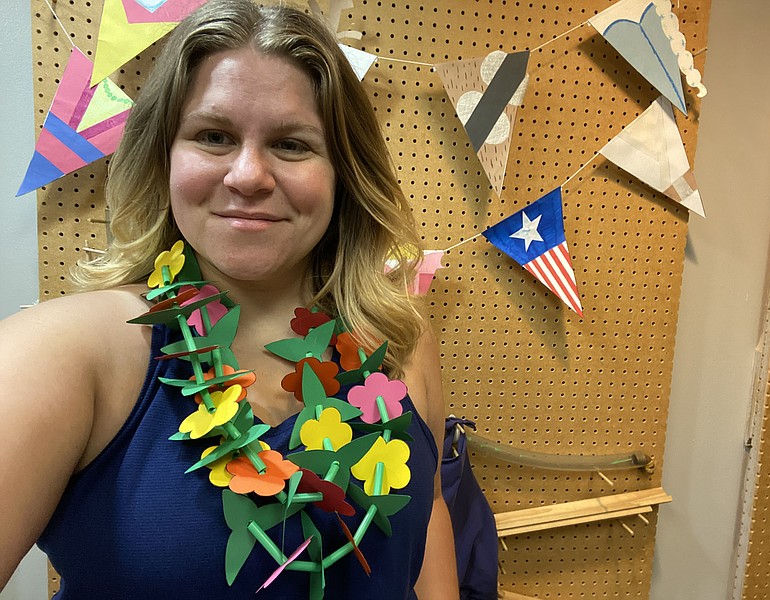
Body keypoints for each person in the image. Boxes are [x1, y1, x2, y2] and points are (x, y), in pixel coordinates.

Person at [0, 0, 459, 597]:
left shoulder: (400, 339)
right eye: (213, 136)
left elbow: (427, 519)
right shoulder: (58, 353)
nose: (248, 175)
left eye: (292, 144)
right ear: (164, 154)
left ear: (344, 171)